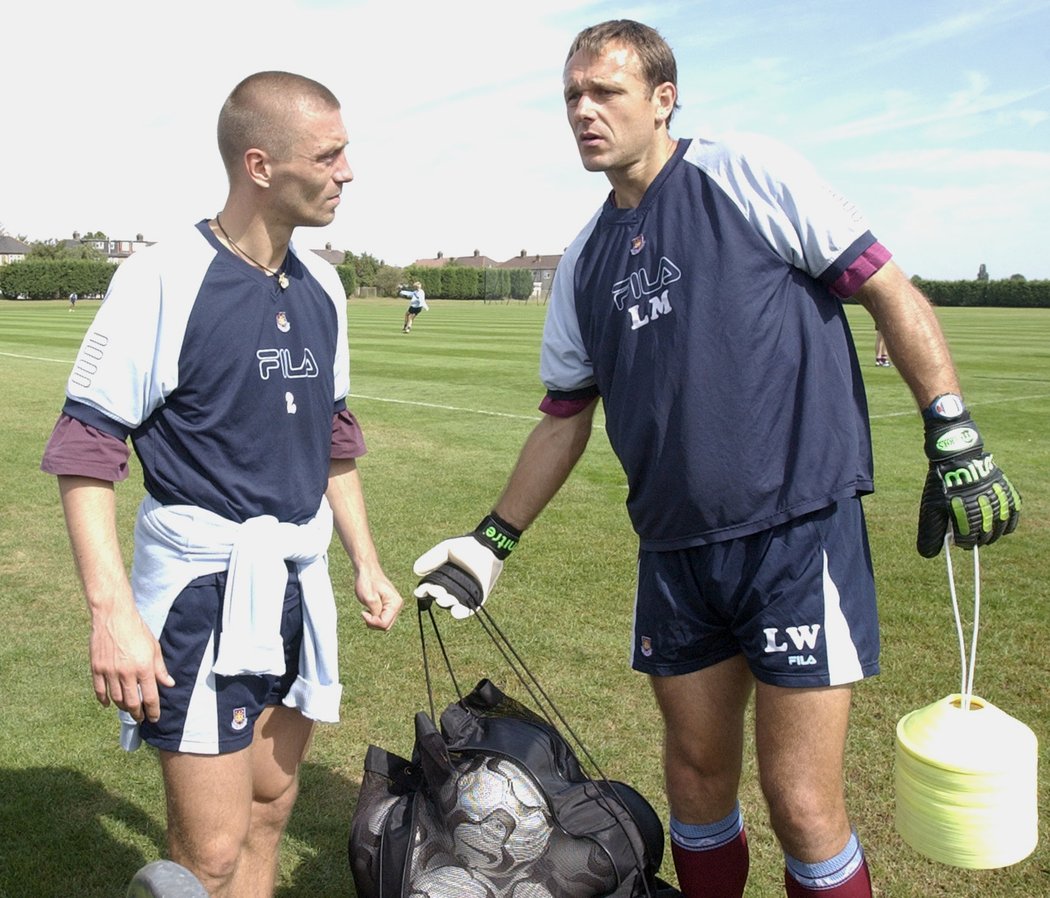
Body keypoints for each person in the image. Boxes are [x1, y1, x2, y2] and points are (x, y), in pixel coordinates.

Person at [412, 20, 1020, 898]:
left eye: (606, 93)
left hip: (795, 535)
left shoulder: (746, 173)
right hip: (674, 553)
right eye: (571, 96)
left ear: (663, 100)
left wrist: (953, 430)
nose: (584, 111)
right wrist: (489, 544)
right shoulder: (584, 259)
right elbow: (564, 417)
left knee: (803, 801)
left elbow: (887, 286)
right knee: (696, 785)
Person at [41, 71, 404, 898]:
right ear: (260, 165)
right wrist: (112, 616)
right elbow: (86, 445)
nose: (348, 171)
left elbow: (333, 439)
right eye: (330, 154)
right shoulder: (164, 277)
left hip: (294, 587)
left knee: (272, 808)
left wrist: (366, 562)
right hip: (204, 593)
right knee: (206, 853)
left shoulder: (327, 289)